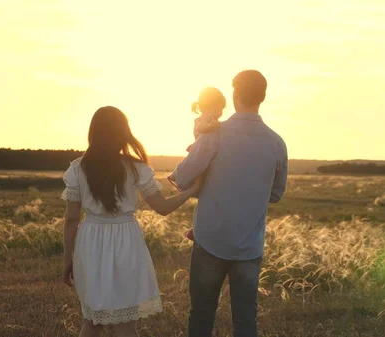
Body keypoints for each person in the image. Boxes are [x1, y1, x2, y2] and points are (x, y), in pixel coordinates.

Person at [61, 106, 200, 337]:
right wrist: (192, 190)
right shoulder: (136, 168)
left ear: (93, 132)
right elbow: (163, 207)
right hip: (126, 240)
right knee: (125, 324)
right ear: (123, 132)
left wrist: (68, 259)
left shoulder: (78, 168)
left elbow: (71, 219)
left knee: (92, 321)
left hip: (90, 241)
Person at [172, 70, 288, 337]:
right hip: (249, 246)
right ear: (263, 97)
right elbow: (276, 194)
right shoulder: (277, 143)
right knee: (246, 321)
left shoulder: (215, 134)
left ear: (234, 95)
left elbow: (183, 177)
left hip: (210, 240)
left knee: (201, 314)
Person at [168, 87, 226, 241]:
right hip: (202, 156)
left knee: (204, 195)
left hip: (203, 154)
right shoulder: (206, 118)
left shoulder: (207, 117)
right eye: (220, 108)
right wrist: (213, 126)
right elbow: (200, 128)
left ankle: (197, 227)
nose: (221, 112)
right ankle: (198, 227)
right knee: (205, 192)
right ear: (210, 106)